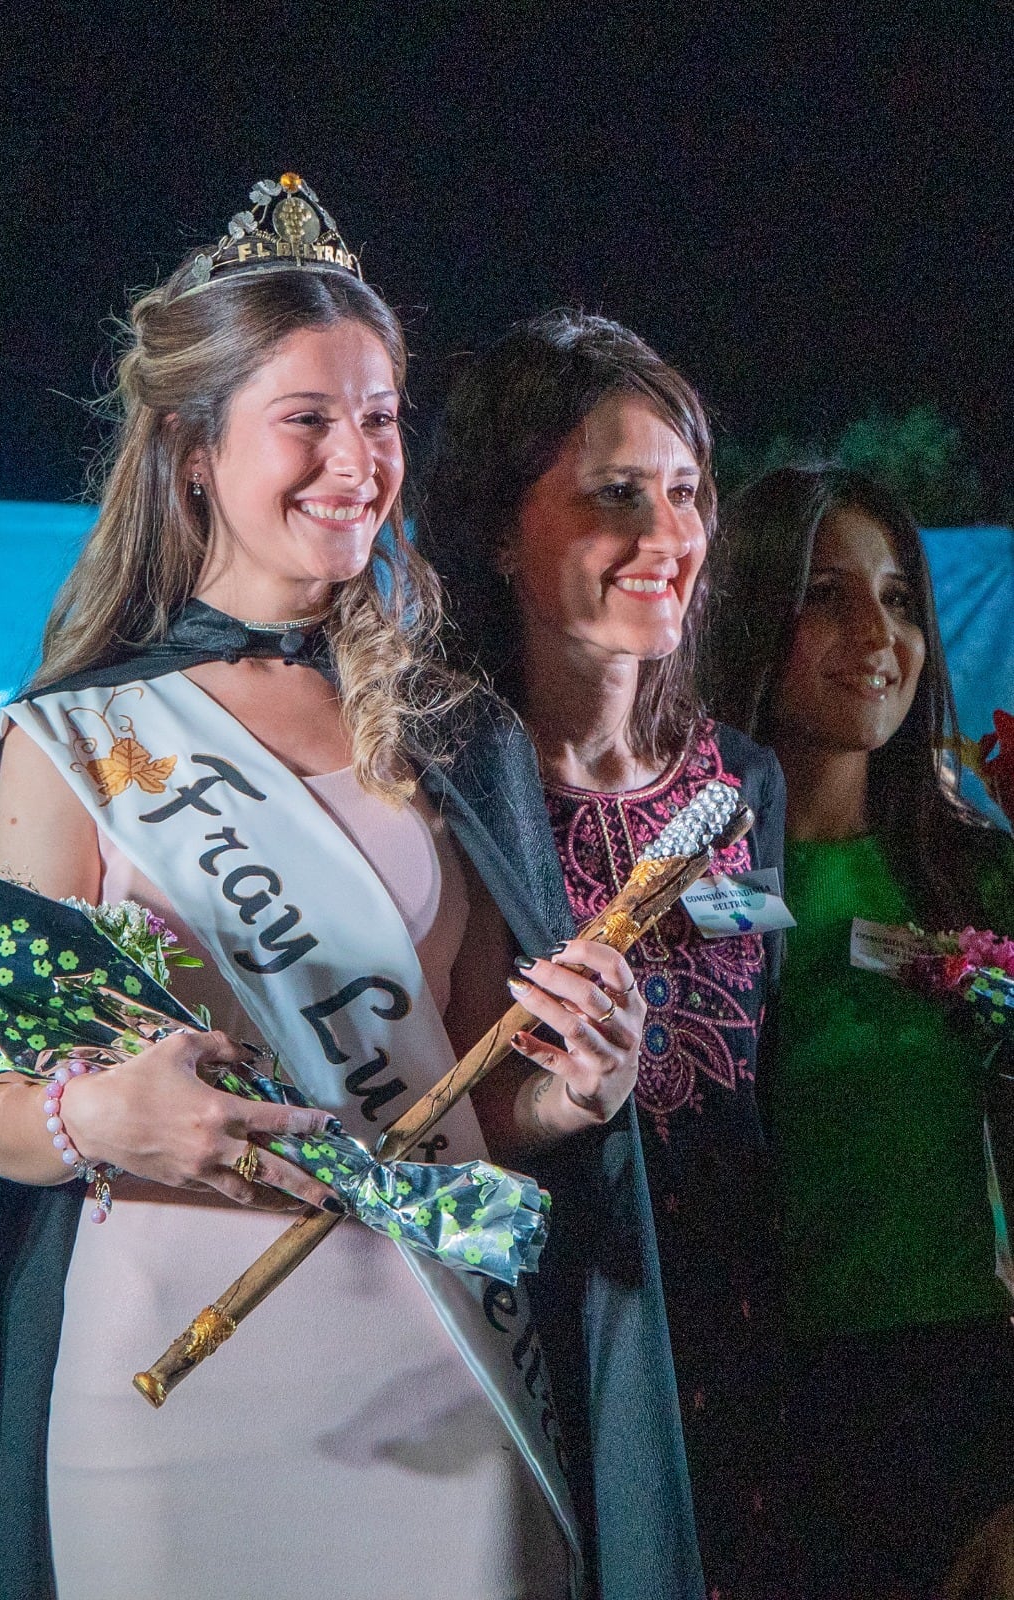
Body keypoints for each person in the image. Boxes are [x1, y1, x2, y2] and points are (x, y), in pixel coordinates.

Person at [0, 178, 696, 1600]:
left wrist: (574, 1092)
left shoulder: (452, 736)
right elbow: (0, 1128)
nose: (358, 460)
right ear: (192, 449)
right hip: (163, 1385)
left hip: (438, 1374)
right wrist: (103, 1113)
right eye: (309, 419)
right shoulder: (72, 740)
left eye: (382, 415)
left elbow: (473, 1097)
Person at [424, 311, 789, 1599]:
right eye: (615, 494)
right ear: (498, 534)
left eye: (685, 492)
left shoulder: (746, 781)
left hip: (745, 1352)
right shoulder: (437, 794)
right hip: (552, 1351)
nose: (668, 537)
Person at [703, 464, 1014, 1598]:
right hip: (738, 1409)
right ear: (747, 614)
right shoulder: (676, 883)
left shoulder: (979, 877)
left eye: (897, 598)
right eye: (825, 594)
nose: (875, 633)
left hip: (959, 1399)